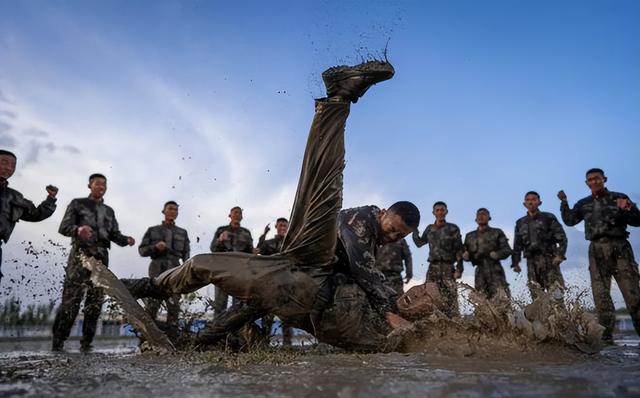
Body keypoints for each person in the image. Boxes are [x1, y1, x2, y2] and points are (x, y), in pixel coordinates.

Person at [121, 60, 421, 352]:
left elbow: (253, 307)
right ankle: (339, 98)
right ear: (383, 213)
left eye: (399, 237)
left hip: (293, 279)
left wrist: (202, 341)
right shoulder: (362, 220)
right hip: (310, 259)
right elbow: (362, 265)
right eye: (393, 229)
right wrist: (388, 310)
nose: (393, 238)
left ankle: (190, 334)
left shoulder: (374, 248)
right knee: (325, 189)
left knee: (203, 264)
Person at [52, 173, 135, 352]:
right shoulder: (77, 204)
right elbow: (63, 227)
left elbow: (114, 235)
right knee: (71, 299)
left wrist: (126, 240)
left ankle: (87, 342)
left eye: (104, 184)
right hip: (81, 256)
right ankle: (58, 341)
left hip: (101, 259)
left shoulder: (109, 211)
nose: (101, 186)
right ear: (89, 185)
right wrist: (78, 229)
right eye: (97, 183)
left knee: (95, 301)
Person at [558, 168, 640, 343]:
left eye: (597, 178)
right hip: (596, 250)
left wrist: (629, 208)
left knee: (633, 296)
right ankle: (606, 341)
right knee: (601, 297)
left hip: (620, 248)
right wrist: (564, 202)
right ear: (586, 183)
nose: (594, 182)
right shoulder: (584, 203)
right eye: (590, 179)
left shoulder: (619, 197)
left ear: (604, 179)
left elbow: (638, 221)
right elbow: (570, 220)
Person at [0, 149, 58, 283]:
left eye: (12, 165)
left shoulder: (14, 197)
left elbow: (36, 214)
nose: (8, 168)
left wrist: (51, 198)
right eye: (3, 163)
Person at [138, 201, 190, 339]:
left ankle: (172, 338)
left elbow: (187, 256)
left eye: (176, 210)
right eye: (170, 209)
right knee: (153, 302)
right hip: (157, 266)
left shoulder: (182, 233)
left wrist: (187, 273)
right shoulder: (153, 230)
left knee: (174, 303)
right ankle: (146, 337)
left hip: (175, 267)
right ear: (164, 211)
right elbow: (142, 250)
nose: (173, 211)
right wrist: (155, 247)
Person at [512, 191, 567, 300]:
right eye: (528, 200)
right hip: (531, 263)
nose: (530, 202)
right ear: (524, 204)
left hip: (550, 260)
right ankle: (542, 317)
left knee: (557, 296)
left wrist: (560, 255)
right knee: (537, 299)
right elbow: (517, 245)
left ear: (539, 202)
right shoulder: (520, 223)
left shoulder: (548, 218)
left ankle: (561, 317)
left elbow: (562, 237)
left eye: (533, 199)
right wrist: (515, 262)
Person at [412, 201, 463, 316]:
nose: (440, 212)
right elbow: (419, 243)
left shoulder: (453, 228)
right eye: (437, 210)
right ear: (433, 212)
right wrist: (414, 230)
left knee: (450, 295)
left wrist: (459, 268)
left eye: (442, 210)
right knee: (429, 293)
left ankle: (454, 320)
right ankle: (431, 319)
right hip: (433, 267)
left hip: (448, 267)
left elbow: (459, 249)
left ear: (446, 212)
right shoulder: (430, 229)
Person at [210, 206, 254, 317]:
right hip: (222, 271)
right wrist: (220, 240)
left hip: (240, 272)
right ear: (230, 215)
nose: (237, 215)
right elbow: (213, 249)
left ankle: (236, 333)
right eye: (235, 212)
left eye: (239, 213)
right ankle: (217, 332)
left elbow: (250, 254)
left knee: (239, 304)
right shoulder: (221, 230)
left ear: (242, 216)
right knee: (220, 304)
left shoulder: (246, 233)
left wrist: (254, 252)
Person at [257, 217, 293, 345]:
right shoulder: (269, 243)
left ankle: (287, 343)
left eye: (285, 225)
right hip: (271, 282)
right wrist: (264, 234)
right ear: (277, 227)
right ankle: (264, 342)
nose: (283, 228)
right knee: (267, 312)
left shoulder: (292, 243)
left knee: (287, 314)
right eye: (281, 225)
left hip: (287, 282)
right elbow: (257, 252)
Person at [463, 208, 512, 299]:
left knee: (501, 297)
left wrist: (497, 254)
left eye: (484, 214)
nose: (481, 216)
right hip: (479, 271)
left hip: (495, 270)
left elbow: (507, 250)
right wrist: (466, 256)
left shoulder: (497, 232)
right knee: (481, 299)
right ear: (476, 219)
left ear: (489, 218)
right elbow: (464, 252)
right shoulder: (470, 236)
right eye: (479, 215)